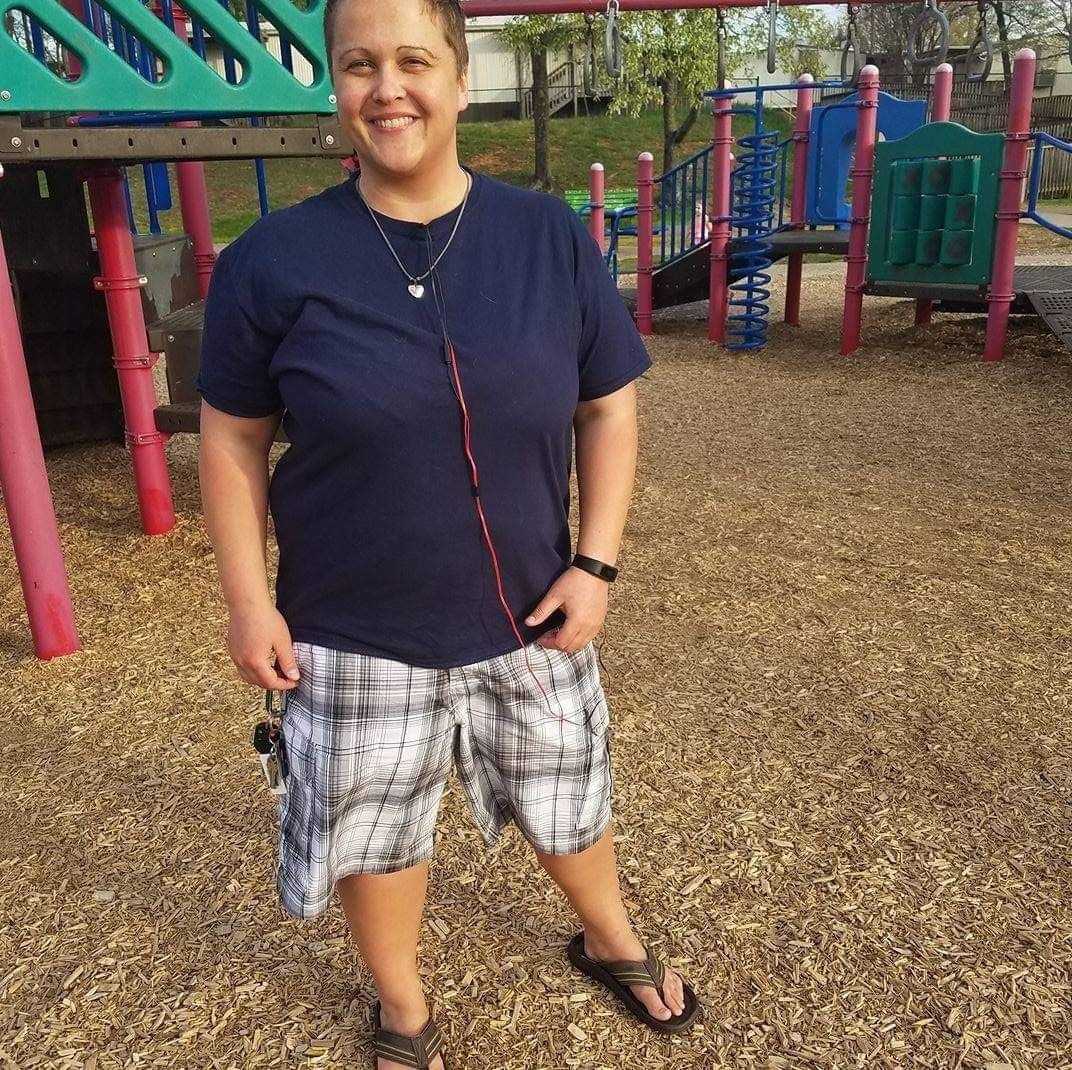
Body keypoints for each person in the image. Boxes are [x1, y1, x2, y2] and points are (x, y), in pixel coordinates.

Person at [196, 0, 700, 1065]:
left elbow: (607, 407)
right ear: (336, 87)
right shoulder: (272, 259)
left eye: (414, 61)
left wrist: (596, 563)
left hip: (533, 607)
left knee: (568, 794)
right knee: (375, 830)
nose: (388, 89)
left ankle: (609, 937)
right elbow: (232, 438)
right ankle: (402, 1003)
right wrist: (248, 601)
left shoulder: (548, 237)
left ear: (462, 81)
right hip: (353, 623)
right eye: (358, 65)